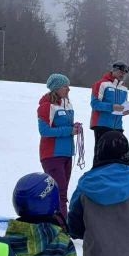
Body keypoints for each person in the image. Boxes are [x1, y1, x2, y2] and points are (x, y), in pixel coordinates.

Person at [38, 73, 80, 221]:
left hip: (66, 154)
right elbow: (44, 131)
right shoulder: (46, 106)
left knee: (63, 192)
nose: (68, 89)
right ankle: (60, 224)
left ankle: (62, 221)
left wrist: (74, 127)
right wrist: (69, 130)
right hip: (52, 155)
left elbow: (64, 127)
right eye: (65, 86)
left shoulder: (67, 104)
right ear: (56, 88)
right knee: (58, 192)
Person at [90, 61, 129, 165]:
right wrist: (112, 107)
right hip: (102, 125)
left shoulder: (124, 88)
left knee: (117, 156)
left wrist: (125, 111)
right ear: (114, 70)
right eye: (120, 72)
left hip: (118, 126)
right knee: (101, 156)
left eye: (124, 73)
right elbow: (95, 104)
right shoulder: (101, 84)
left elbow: (121, 107)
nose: (122, 75)